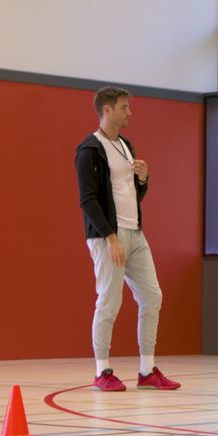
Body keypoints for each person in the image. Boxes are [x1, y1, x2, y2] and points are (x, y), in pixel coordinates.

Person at [75, 87, 180, 392]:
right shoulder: (89, 150)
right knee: (109, 301)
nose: (129, 112)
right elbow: (88, 200)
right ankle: (102, 371)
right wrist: (110, 237)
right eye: (124, 107)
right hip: (109, 235)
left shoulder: (125, 145)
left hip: (135, 232)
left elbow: (133, 194)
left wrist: (143, 179)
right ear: (107, 110)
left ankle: (147, 370)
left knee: (152, 297)